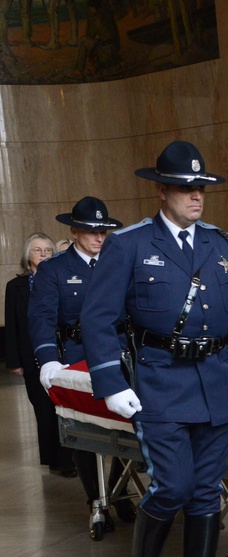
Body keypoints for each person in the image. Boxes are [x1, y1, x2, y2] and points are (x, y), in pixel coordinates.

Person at [80, 140, 228, 557]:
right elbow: (97, 317)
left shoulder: (224, 245)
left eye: (202, 187)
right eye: (186, 188)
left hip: (211, 381)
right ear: (162, 189)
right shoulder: (130, 244)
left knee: (208, 492)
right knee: (173, 485)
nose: (196, 196)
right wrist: (109, 381)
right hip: (158, 380)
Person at [28, 196, 135, 524]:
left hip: (118, 354)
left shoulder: (118, 263)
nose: (99, 237)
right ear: (74, 231)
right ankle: (96, 498)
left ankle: (119, 488)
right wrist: (47, 359)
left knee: (128, 426)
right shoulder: (54, 270)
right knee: (84, 432)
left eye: (104, 231)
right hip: (79, 357)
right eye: (91, 231)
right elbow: (42, 318)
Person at [5, 232, 75, 477]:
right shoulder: (16, 287)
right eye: (38, 250)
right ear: (28, 255)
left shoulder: (62, 278)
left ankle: (70, 458)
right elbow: (12, 325)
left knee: (63, 408)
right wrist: (14, 360)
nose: (44, 254)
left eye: (48, 249)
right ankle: (53, 458)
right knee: (43, 410)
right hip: (30, 355)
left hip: (62, 353)